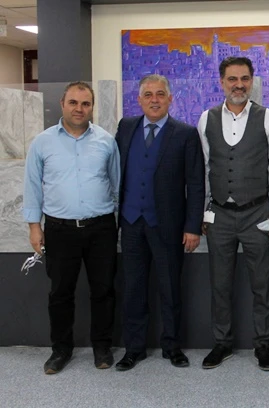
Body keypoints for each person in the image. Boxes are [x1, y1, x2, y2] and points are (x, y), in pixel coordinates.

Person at [197, 56, 269, 371]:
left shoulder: (268, 118)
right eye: (233, 79)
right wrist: (203, 211)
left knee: (262, 284)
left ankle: (262, 344)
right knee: (220, 284)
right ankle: (222, 343)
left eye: (245, 79)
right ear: (222, 82)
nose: (239, 85)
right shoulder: (206, 119)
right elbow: (203, 169)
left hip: (257, 214)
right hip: (219, 215)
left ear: (252, 81)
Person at [22, 81, 120, 374]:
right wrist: (34, 227)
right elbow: (32, 187)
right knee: (60, 293)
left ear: (92, 107)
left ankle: (102, 347)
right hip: (59, 230)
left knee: (103, 290)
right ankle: (60, 350)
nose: (80, 109)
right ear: (62, 104)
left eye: (86, 103)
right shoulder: (42, 142)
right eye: (74, 103)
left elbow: (116, 184)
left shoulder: (106, 141)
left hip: (101, 228)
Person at [114, 74, 205, 371]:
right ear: (139, 100)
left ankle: (172, 346)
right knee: (133, 288)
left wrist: (192, 226)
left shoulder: (185, 134)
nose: (154, 100)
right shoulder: (125, 127)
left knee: (170, 288)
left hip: (167, 225)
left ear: (170, 99)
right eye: (148, 95)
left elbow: (196, 184)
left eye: (160, 94)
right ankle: (134, 348)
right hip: (131, 223)